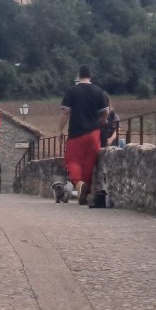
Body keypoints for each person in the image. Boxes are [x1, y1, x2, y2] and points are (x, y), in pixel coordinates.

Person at [58, 65, 109, 205]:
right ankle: (84, 194)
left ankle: (79, 184)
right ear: (91, 75)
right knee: (89, 163)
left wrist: (60, 130)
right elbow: (106, 112)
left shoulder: (72, 91)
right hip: (94, 134)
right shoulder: (98, 91)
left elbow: (65, 113)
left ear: (79, 75)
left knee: (72, 161)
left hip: (76, 133)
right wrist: (102, 121)